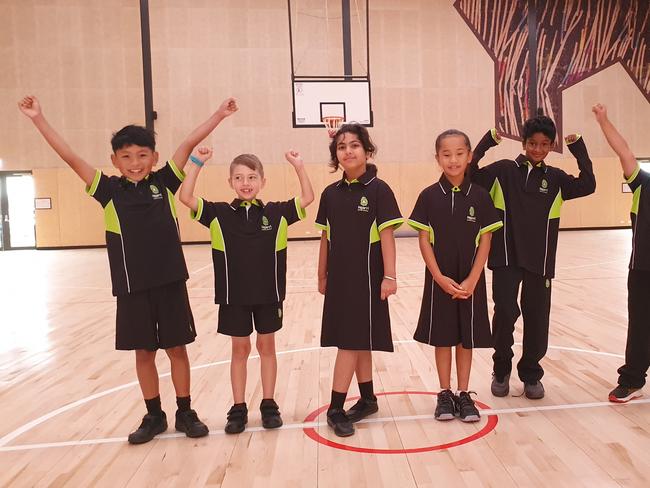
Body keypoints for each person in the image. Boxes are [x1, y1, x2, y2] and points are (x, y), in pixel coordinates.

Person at [18, 94, 237, 443]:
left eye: (142, 155)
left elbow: (188, 143)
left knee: (177, 350)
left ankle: (185, 411)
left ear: (154, 158)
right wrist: (38, 118)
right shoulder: (107, 190)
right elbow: (70, 156)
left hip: (170, 282)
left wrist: (218, 115)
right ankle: (154, 415)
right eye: (126, 157)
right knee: (144, 352)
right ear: (114, 161)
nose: (135, 162)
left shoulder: (164, 183)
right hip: (132, 287)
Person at [179, 145, 314, 433]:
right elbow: (186, 197)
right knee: (239, 349)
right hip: (233, 297)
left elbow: (307, 198)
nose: (245, 183)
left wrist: (298, 166)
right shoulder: (218, 214)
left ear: (262, 181)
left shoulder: (276, 213)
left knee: (267, 346)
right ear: (230, 183)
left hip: (269, 295)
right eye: (239, 178)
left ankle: (268, 404)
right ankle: (238, 408)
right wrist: (197, 163)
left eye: (252, 177)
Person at [470, 116, 596, 399]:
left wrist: (579, 150)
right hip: (505, 257)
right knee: (504, 314)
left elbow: (588, 184)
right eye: (532, 144)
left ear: (551, 146)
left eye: (544, 145)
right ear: (524, 143)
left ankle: (530, 374)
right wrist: (486, 143)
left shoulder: (556, 179)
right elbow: (469, 173)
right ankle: (501, 370)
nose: (537, 149)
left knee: (538, 319)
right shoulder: (502, 171)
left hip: (540, 261)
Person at [315, 123, 403, 437]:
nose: (348, 151)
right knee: (359, 339)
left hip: (368, 280)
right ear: (335, 155)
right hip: (339, 280)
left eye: (354, 145)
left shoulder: (379, 190)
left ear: (367, 151)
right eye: (341, 147)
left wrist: (389, 276)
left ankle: (335, 408)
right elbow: (326, 237)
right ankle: (367, 399)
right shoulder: (330, 194)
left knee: (350, 342)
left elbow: (388, 237)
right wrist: (321, 273)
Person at [408, 129, 502, 421]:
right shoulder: (428, 197)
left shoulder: (482, 197)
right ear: (437, 158)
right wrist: (437, 276)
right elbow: (424, 239)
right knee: (443, 337)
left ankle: (463, 393)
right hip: (441, 279)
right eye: (446, 155)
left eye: (459, 153)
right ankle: (444, 393)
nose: (453, 160)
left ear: (470, 156)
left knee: (466, 337)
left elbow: (486, 241)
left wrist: (473, 279)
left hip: (469, 280)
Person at [593, 103, 648, 403]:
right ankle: (632, 380)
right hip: (642, 269)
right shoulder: (643, 185)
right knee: (640, 326)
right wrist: (604, 120)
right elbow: (624, 150)